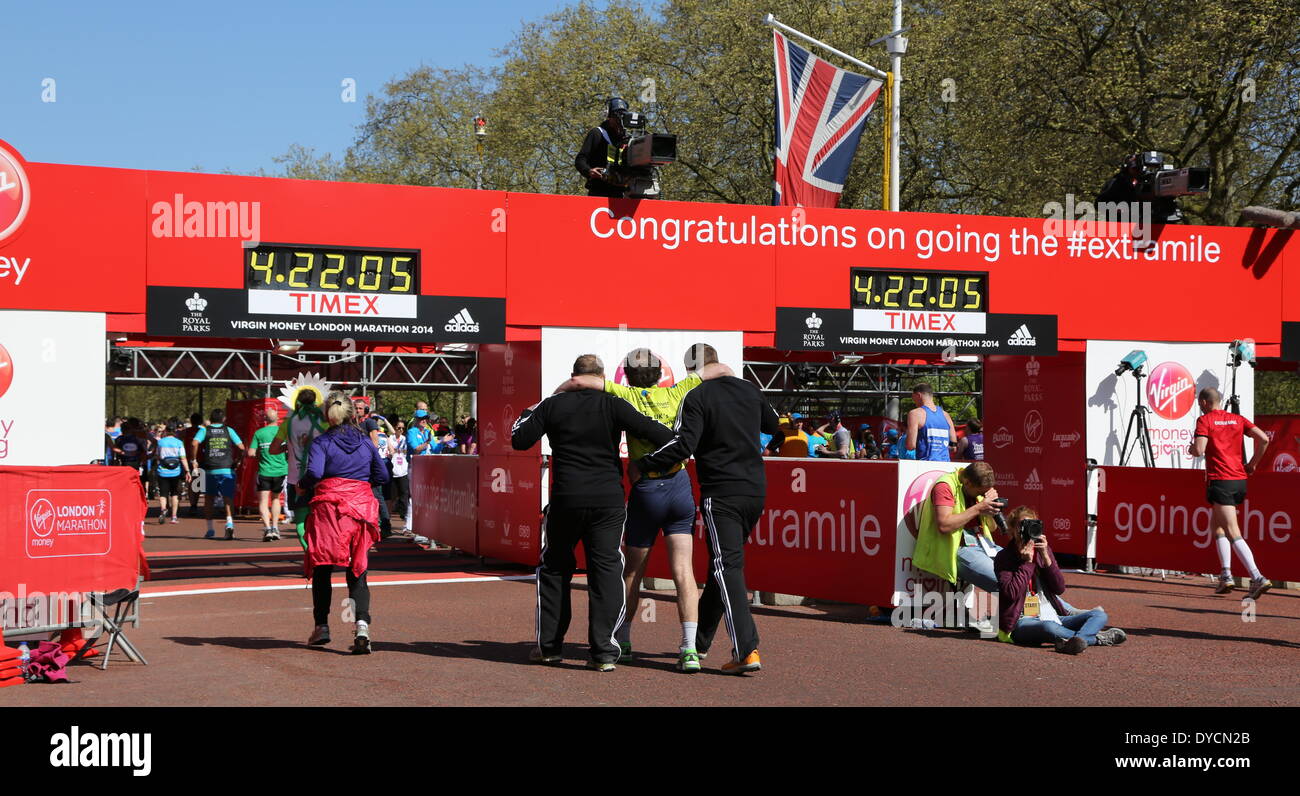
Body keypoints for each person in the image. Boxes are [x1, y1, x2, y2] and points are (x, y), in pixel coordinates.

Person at [553, 346, 730, 672]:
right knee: (683, 572)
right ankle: (689, 649)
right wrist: (731, 377)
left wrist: (557, 392)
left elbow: (582, 382)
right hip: (679, 487)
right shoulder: (679, 390)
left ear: (628, 375)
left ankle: (624, 639)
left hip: (646, 491)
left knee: (633, 571)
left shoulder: (624, 395)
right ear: (660, 374)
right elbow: (718, 369)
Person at [512, 354, 675, 672]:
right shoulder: (614, 404)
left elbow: (520, 439)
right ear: (599, 377)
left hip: (566, 499)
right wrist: (643, 465)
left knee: (555, 569)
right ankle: (602, 652)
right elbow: (665, 435)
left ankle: (549, 648)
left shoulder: (552, 405)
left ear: (574, 377)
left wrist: (543, 401)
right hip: (607, 501)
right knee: (606, 572)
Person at [636, 344, 783, 675]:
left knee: (725, 565)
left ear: (693, 369)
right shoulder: (749, 389)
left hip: (721, 491)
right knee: (724, 565)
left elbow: (683, 445)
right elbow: (774, 425)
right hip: (755, 489)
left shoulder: (697, 396)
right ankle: (701, 642)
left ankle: (746, 649)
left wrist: (645, 463)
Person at [300, 392, 390, 654]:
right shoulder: (365, 442)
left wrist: (302, 485)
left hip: (329, 509)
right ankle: (361, 626)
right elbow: (382, 475)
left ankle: (322, 627)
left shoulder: (322, 442)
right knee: (358, 567)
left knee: (323, 567)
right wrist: (360, 486)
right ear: (353, 414)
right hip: (360, 508)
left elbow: (315, 473)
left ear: (327, 415)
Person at [996, 506, 1126, 653]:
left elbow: (1059, 588)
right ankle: (1095, 638)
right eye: (1022, 526)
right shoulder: (1004, 557)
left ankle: (1075, 641)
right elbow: (1010, 593)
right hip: (1020, 621)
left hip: (1051, 615)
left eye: (1032, 526)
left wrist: (1046, 558)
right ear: (1012, 530)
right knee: (1049, 628)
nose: (1027, 531)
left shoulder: (1042, 550)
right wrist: (1026, 563)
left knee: (1099, 614)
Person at [1189, 387, 1273, 600]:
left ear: (1205, 403)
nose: (1200, 407)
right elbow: (1264, 439)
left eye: (1200, 404)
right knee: (1216, 526)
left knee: (1232, 530)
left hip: (1221, 480)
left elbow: (1199, 450)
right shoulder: (1237, 419)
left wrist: (1192, 449)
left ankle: (1257, 577)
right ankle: (1225, 575)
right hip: (1239, 481)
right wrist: (1252, 464)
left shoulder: (1204, 420)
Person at [913, 461, 1003, 593]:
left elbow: (993, 528)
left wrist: (991, 506)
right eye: (979, 492)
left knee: (1020, 574)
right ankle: (1016, 613)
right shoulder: (945, 486)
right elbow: (944, 525)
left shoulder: (975, 487)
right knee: (1005, 582)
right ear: (967, 482)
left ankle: (1022, 613)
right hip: (957, 548)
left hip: (984, 544)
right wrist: (979, 508)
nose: (981, 495)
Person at [270, 388, 328, 550]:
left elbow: (273, 449)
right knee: (321, 519)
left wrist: (288, 448)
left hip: (296, 478)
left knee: (301, 522)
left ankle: (309, 553)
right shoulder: (323, 422)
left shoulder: (288, 422)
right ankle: (322, 553)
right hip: (320, 477)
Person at [191, 408, 245, 539]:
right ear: (224, 419)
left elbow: (194, 443)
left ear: (211, 418)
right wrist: (237, 461)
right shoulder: (229, 430)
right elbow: (242, 448)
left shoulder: (205, 430)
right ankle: (230, 524)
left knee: (209, 498)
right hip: (227, 469)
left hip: (210, 469)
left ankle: (210, 529)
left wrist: (194, 460)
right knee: (228, 498)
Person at [574, 98, 629, 198]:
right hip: (599, 193)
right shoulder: (597, 133)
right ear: (608, 116)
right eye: (616, 117)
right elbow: (580, 160)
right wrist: (589, 171)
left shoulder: (627, 139)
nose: (619, 121)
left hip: (622, 193)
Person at [355, 400, 393, 539]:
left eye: (360, 408)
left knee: (377, 495)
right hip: (357, 465)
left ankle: (386, 526)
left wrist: (369, 459)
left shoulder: (369, 422)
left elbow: (375, 441)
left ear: (365, 410)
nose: (358, 410)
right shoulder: (352, 423)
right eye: (356, 408)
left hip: (369, 465)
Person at [251, 407, 287, 542]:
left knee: (263, 501)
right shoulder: (283, 431)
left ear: (265, 420)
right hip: (281, 470)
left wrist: (259, 453)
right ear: (277, 418)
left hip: (264, 471)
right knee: (276, 499)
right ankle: (275, 528)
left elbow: (250, 453)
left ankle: (267, 529)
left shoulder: (259, 433)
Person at [905, 383, 957, 461]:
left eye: (913, 397)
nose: (914, 401)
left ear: (918, 395)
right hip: (945, 465)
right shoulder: (946, 415)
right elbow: (953, 446)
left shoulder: (915, 414)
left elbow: (911, 445)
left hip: (925, 465)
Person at [153, 422, 190, 524]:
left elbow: (157, 456)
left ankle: (163, 509)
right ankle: (174, 517)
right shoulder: (179, 443)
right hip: (176, 472)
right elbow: (183, 458)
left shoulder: (160, 442)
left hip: (162, 471)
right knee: (174, 494)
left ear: (166, 431)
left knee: (163, 493)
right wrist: (187, 471)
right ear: (175, 432)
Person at [181, 413, 205, 516]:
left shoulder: (185, 432)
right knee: (198, 483)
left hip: (188, 459)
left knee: (192, 482)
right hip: (200, 459)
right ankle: (194, 504)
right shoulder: (203, 431)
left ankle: (193, 505)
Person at [389, 422, 411, 528]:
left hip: (403, 470)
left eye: (403, 428)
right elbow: (390, 451)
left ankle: (404, 515)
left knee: (404, 493)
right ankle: (387, 518)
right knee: (392, 495)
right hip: (393, 470)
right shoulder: (390, 438)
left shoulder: (405, 439)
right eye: (398, 428)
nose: (401, 430)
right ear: (395, 428)